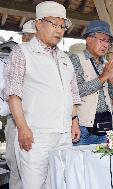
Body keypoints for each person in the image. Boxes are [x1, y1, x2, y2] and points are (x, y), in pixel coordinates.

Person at [5, 1, 81, 188]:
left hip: (64, 136)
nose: (59, 30)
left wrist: (74, 121)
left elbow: (72, 92)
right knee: (33, 185)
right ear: (38, 24)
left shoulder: (65, 58)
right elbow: (13, 94)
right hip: (35, 135)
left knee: (60, 184)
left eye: (62, 26)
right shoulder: (22, 52)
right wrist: (22, 127)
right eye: (54, 24)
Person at [70, 20, 113, 145]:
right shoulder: (76, 59)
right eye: (102, 40)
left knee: (101, 164)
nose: (105, 45)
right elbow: (75, 91)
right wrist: (103, 77)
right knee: (79, 163)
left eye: (108, 42)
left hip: (105, 126)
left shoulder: (106, 64)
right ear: (88, 39)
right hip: (83, 128)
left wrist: (111, 78)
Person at [3, 19, 36, 189]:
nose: (25, 40)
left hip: (38, 121)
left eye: (30, 36)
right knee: (15, 166)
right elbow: (6, 92)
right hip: (16, 121)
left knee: (36, 170)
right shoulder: (14, 58)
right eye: (25, 36)